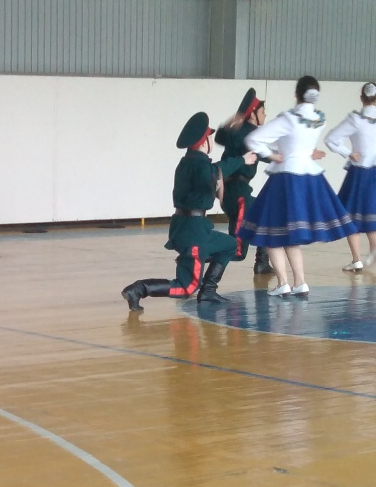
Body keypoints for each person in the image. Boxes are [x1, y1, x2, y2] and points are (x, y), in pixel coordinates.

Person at [121, 112, 257, 311]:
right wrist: (241, 160)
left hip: (192, 227)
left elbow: (212, 173)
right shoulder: (199, 165)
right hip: (193, 231)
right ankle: (139, 289)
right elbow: (213, 172)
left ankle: (208, 291)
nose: (212, 141)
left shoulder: (187, 162)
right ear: (203, 142)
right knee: (187, 288)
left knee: (229, 245)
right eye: (209, 137)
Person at [241, 76, 358, 296]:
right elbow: (296, 142)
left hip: (285, 178)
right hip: (309, 177)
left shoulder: (289, 119)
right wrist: (300, 151)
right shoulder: (318, 119)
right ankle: (300, 282)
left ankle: (283, 283)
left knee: (271, 233)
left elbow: (253, 139)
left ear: (297, 94)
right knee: (290, 234)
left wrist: (272, 155)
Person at [214, 87, 273, 275]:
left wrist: (233, 120)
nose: (265, 115)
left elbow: (220, 137)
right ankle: (200, 253)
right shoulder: (249, 135)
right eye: (262, 112)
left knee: (266, 214)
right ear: (253, 115)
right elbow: (267, 155)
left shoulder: (240, 131)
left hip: (236, 191)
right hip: (238, 194)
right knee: (237, 251)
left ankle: (262, 263)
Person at [324, 81, 376, 270]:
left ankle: (357, 259)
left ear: (361, 98)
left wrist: (348, 153)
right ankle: (373, 250)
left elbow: (331, 139)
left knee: (351, 217)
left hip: (359, 173)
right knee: (371, 214)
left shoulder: (356, 120)